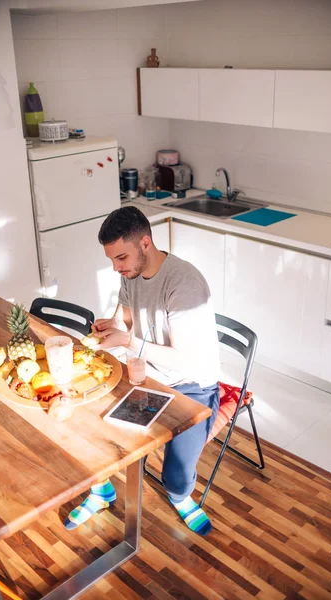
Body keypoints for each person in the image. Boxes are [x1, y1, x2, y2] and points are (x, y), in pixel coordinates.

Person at [64, 206, 220, 536]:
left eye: (121, 258)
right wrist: (113, 325)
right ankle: (101, 491)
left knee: (174, 475)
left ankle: (181, 497)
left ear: (145, 243)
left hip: (191, 386)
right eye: (112, 260)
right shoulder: (132, 276)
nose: (116, 268)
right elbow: (127, 320)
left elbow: (184, 360)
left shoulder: (184, 284)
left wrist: (128, 342)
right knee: (91, 432)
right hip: (148, 375)